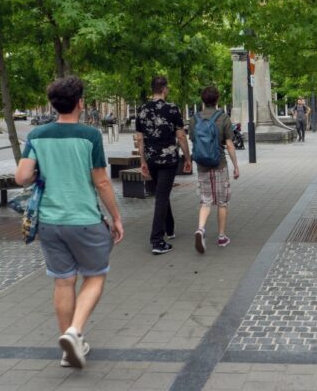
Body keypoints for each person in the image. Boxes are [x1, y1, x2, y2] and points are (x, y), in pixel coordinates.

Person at [14, 76, 124, 369]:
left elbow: (22, 177)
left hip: (50, 221)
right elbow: (101, 182)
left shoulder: (37, 136)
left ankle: (67, 347)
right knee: (95, 275)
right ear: (80, 103)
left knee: (63, 281)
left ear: (53, 104)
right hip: (84, 218)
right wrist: (115, 217)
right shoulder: (90, 136)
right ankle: (75, 332)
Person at [136, 76, 192, 254]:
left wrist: (143, 161)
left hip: (151, 159)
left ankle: (170, 228)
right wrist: (188, 158)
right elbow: (181, 136)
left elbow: (139, 138)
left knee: (161, 193)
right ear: (164, 89)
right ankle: (157, 241)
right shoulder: (172, 109)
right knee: (161, 197)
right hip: (168, 159)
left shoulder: (142, 109)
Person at [189, 86, 240, 253]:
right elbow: (230, 145)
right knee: (222, 202)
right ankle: (221, 236)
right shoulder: (223, 118)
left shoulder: (194, 119)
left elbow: (194, 140)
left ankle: (201, 229)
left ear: (203, 100)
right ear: (217, 100)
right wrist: (236, 166)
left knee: (206, 200)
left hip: (202, 165)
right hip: (219, 164)